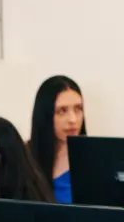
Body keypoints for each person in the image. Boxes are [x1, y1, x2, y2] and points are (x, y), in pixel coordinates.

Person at [28, 75, 86, 204]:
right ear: (45, 115)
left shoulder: (93, 157)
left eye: (78, 109)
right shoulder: (25, 156)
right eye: (62, 111)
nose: (73, 120)